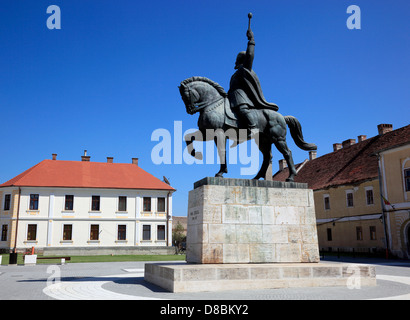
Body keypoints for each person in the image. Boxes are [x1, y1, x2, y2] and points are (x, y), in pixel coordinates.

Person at [228, 26, 279, 136]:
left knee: (243, 110)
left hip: (241, 99)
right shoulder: (235, 75)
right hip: (231, 98)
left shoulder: (244, 69)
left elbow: (250, 55)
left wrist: (251, 40)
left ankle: (253, 127)